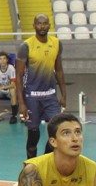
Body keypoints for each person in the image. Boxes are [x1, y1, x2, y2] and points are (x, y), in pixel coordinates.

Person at [15, 14, 66, 158]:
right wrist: (21, 103)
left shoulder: (56, 43)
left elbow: (59, 70)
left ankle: (44, 160)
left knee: (57, 131)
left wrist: (64, 95)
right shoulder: (26, 46)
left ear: (50, 25)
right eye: (39, 23)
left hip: (50, 96)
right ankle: (31, 166)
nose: (42, 26)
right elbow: (18, 76)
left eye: (45, 23)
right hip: (32, 97)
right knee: (33, 134)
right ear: (34, 25)